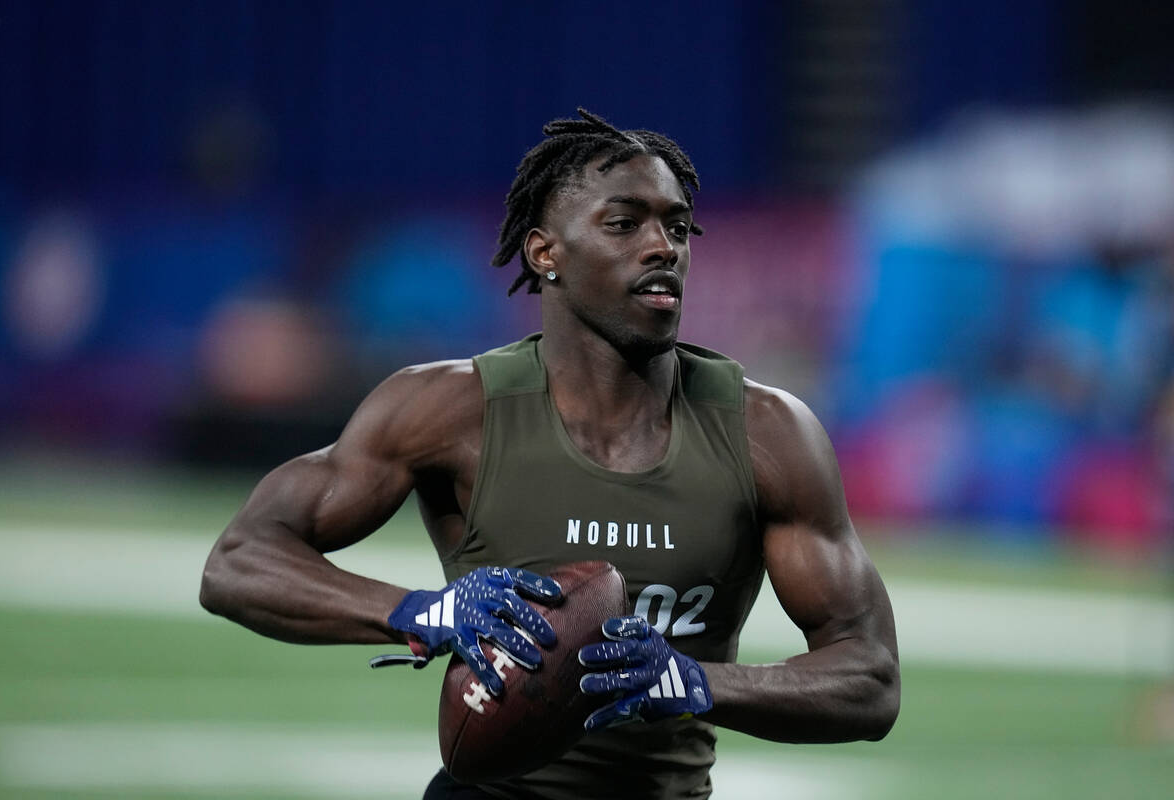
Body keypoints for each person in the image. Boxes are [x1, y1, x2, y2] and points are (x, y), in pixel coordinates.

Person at [200, 109, 900, 799]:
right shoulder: (446, 410)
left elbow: (870, 678)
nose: (663, 246)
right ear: (545, 253)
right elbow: (240, 563)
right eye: (624, 224)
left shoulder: (767, 431)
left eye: (678, 226)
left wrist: (691, 681)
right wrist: (422, 611)